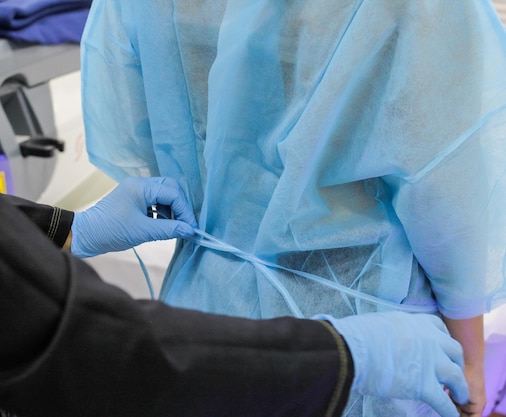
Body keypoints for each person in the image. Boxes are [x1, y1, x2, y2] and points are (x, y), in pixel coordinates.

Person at [0, 2, 471, 417]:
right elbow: (80, 349)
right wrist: (361, 358)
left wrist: (65, 229)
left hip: (203, 317)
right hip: (354, 345)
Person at [80, 1, 506, 416]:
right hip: (367, 351)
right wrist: (468, 359)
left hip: (202, 328)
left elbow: (139, 128)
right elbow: (447, 190)